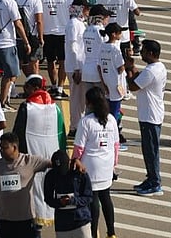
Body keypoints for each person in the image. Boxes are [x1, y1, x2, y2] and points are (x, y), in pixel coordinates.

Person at [9, 75, 64, 221]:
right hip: (50, 156)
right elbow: (61, 135)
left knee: (31, 189)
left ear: (34, 88)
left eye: (26, 87)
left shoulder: (26, 107)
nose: (25, 90)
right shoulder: (56, 108)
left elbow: (17, 133)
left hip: (31, 155)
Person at [0, 133, 51, 238]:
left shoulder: (30, 161)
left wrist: (74, 162)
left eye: (4, 148)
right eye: (0, 147)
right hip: (4, 221)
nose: (0, 150)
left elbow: (53, 163)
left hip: (26, 221)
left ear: (14, 147)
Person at [71, 88, 117, 238]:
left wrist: (74, 162)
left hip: (90, 166)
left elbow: (79, 148)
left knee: (93, 201)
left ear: (89, 102)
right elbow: (116, 145)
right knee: (106, 198)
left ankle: (93, 234)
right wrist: (113, 165)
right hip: (107, 165)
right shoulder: (111, 119)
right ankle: (111, 233)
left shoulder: (86, 122)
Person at [127, 39, 167, 194]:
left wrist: (129, 69)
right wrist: (133, 68)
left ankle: (155, 182)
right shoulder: (159, 67)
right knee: (148, 150)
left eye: (143, 51)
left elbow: (133, 85)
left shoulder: (151, 71)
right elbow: (140, 77)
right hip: (152, 114)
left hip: (149, 116)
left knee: (151, 151)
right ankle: (150, 178)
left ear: (151, 53)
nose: (141, 53)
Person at [42, 149, 94, 238]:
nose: (61, 172)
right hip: (62, 225)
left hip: (81, 221)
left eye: (63, 168)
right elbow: (48, 199)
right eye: (58, 170)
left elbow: (88, 197)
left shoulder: (80, 173)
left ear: (69, 162)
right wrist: (59, 202)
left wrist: (73, 201)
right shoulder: (50, 176)